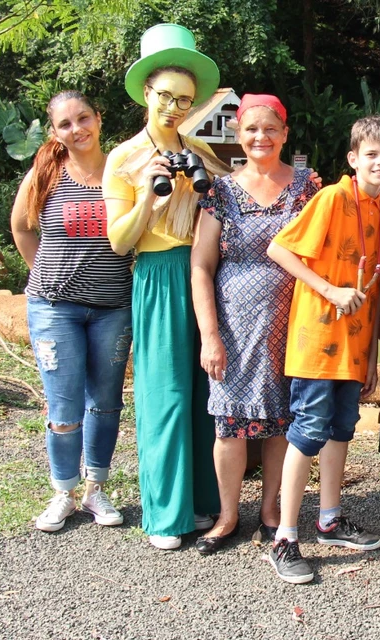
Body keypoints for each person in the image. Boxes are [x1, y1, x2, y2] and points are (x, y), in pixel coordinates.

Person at [103, 24, 230, 550]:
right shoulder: (124, 157)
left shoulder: (199, 151)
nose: (174, 108)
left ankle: (200, 501)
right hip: (157, 275)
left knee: (205, 392)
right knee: (165, 395)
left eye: (184, 99)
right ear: (146, 93)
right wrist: (149, 200)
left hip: (204, 273)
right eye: (165, 96)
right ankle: (164, 514)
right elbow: (118, 241)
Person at [264, 115, 380, 584]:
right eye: (372, 154)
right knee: (308, 430)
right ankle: (285, 537)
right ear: (353, 159)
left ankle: (329, 518)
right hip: (318, 342)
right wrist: (329, 289)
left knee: (342, 429)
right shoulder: (331, 198)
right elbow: (280, 250)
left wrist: (375, 357)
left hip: (356, 347)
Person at [190, 94, 318, 555]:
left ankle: (270, 511)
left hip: (292, 321)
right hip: (233, 325)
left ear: (285, 134)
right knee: (228, 424)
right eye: (251, 129)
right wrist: (210, 335)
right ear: (238, 134)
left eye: (270, 129)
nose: (260, 137)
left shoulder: (307, 186)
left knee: (282, 420)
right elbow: (201, 266)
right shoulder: (219, 192)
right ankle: (228, 516)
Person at [10, 90, 134, 533]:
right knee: (64, 406)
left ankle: (96, 489)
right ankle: (63, 491)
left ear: (98, 119)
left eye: (83, 118)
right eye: (65, 123)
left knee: (105, 403)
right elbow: (21, 227)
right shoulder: (46, 173)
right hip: (54, 308)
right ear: (55, 131)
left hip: (112, 307)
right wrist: (46, 273)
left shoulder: (123, 170)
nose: (77, 129)